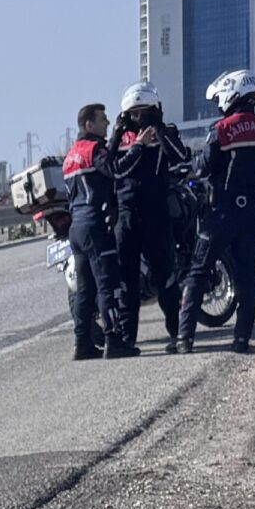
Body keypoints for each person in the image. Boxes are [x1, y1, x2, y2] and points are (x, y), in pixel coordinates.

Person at [178, 70, 255, 353]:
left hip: (219, 214)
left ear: (231, 94)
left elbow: (203, 167)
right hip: (252, 213)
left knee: (198, 273)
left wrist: (192, 166)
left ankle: (184, 339)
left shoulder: (222, 129)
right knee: (248, 275)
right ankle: (241, 339)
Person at [111, 80, 193, 354]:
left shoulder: (165, 132)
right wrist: (135, 142)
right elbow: (113, 169)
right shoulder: (121, 138)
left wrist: (159, 132)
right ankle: (126, 339)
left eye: (144, 112)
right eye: (134, 113)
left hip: (157, 214)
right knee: (126, 280)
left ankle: (177, 335)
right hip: (127, 216)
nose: (139, 118)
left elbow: (182, 157)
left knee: (166, 276)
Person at [60, 103, 123, 360]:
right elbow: (114, 169)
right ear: (89, 125)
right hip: (96, 225)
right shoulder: (95, 150)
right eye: (103, 120)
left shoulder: (71, 156)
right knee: (107, 285)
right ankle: (114, 341)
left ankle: (82, 344)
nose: (107, 124)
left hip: (77, 228)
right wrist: (120, 138)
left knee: (84, 291)